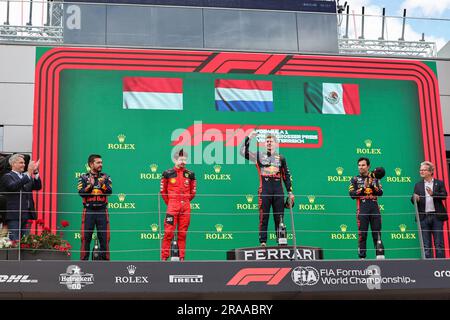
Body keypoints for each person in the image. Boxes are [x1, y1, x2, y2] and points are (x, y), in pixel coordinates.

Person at [240, 131, 294, 247]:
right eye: (267, 141)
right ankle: (263, 242)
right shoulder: (259, 155)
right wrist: (249, 138)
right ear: (265, 144)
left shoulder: (281, 158)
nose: (269, 143)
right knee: (263, 217)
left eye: (272, 141)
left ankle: (281, 242)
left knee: (280, 218)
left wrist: (290, 192)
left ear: (276, 144)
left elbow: (286, 176)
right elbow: (243, 152)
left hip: (278, 192)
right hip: (264, 191)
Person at [160, 149, 196, 261]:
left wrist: (184, 201)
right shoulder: (167, 173)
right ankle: (164, 258)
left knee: (183, 233)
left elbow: (193, 192)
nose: (183, 161)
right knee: (168, 232)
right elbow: (163, 191)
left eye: (185, 159)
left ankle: (181, 258)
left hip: (185, 206)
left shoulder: (190, 174)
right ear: (175, 159)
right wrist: (171, 202)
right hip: (172, 206)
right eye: (181, 159)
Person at [349, 157, 385, 259]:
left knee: (377, 233)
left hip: (374, 208)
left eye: (363, 165)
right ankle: (362, 258)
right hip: (362, 209)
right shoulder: (354, 179)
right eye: (359, 165)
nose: (361, 167)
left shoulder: (375, 178)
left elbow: (380, 193)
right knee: (362, 235)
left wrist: (372, 186)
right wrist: (364, 188)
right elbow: (352, 194)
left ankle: (380, 257)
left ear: (368, 166)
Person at [78, 154, 112, 260]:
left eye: (101, 162)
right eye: (98, 162)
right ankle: (83, 264)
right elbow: (81, 193)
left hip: (102, 211)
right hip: (89, 211)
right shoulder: (83, 177)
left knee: (104, 238)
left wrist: (102, 185)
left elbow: (110, 192)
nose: (100, 164)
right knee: (85, 238)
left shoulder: (106, 177)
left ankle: (105, 264)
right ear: (91, 164)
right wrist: (90, 186)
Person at [0, 154, 41, 241]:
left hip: (26, 214)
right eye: (21, 163)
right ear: (13, 164)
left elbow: (38, 186)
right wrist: (29, 173)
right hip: (14, 215)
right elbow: (13, 186)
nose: (24, 165)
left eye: (24, 163)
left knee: (25, 242)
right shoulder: (7, 176)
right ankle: (13, 255)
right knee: (15, 241)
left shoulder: (25, 176)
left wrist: (35, 172)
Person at [411, 161, 448, 259]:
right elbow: (413, 199)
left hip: (437, 217)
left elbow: (444, 195)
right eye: (420, 170)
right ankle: (428, 267)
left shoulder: (439, 183)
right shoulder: (418, 185)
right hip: (424, 217)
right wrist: (414, 198)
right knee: (426, 245)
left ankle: (441, 267)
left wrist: (433, 194)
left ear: (431, 172)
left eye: (424, 170)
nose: (421, 172)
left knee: (439, 243)